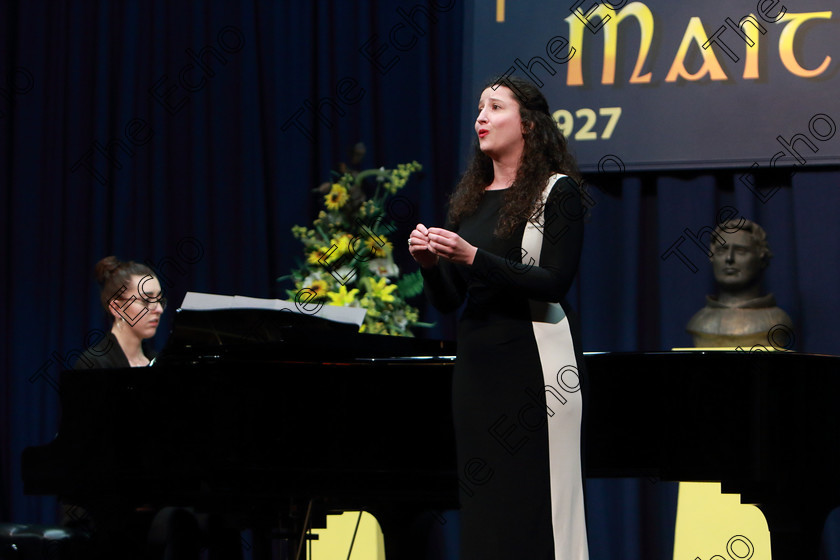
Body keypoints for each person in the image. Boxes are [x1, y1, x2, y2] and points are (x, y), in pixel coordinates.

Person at [409, 76, 589, 560]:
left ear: (528, 124)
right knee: (487, 510)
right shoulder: (474, 200)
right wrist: (430, 266)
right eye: (479, 110)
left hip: (534, 367)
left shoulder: (558, 192)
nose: (480, 118)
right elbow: (450, 302)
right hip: (478, 368)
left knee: (532, 505)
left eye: (495, 107)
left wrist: (473, 258)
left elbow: (553, 282)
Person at [686, 219, 794, 348]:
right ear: (712, 257)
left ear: (761, 257)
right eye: (722, 250)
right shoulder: (700, 322)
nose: (729, 258)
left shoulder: (777, 321)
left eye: (740, 251)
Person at [74, 256, 164, 370]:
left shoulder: (159, 363)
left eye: (159, 300)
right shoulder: (93, 364)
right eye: (146, 300)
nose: (159, 309)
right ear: (117, 308)